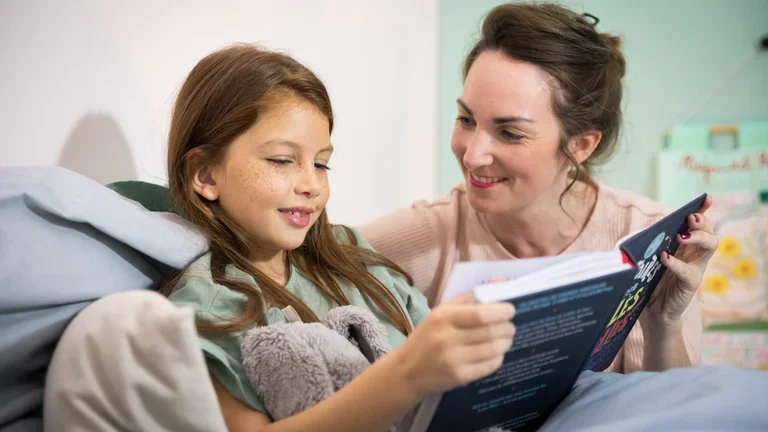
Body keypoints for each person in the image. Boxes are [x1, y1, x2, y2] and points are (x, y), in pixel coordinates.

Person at [161, 44, 515, 431]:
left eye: (321, 163)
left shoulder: (351, 255)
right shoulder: (211, 306)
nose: (312, 184)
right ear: (206, 175)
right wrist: (407, 375)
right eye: (282, 160)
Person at [359, 3, 718, 373]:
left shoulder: (648, 239)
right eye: (466, 119)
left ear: (580, 145)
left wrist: (663, 325)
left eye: (510, 133)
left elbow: (675, 412)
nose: (472, 156)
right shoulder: (424, 236)